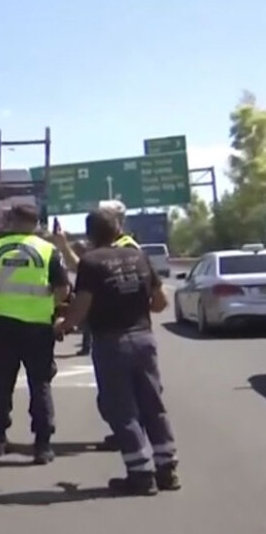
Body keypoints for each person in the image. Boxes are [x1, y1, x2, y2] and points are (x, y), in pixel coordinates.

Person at [56, 208, 180, 495]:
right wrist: (132, 303)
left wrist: (62, 326)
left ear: (89, 234)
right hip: (144, 339)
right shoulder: (139, 256)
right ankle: (167, 469)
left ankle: (140, 474)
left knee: (122, 409)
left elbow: (81, 307)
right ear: (118, 230)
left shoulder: (91, 262)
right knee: (153, 403)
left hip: (112, 343)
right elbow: (160, 303)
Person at [0, 203, 70, 464]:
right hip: (39, 327)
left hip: (3, 326)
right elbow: (63, 290)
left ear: (13, 221)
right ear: (37, 223)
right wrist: (47, 306)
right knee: (40, 384)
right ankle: (42, 446)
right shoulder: (47, 250)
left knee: (2, 383)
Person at [49, 199, 136, 450]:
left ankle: (132, 442)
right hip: (120, 329)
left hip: (118, 329)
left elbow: (86, 270)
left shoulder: (125, 248)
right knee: (118, 392)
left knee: (116, 393)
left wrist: (64, 325)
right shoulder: (117, 248)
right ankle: (130, 436)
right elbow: (86, 269)